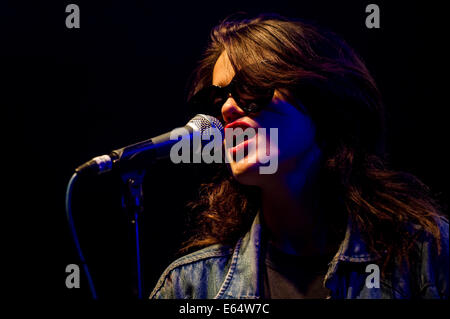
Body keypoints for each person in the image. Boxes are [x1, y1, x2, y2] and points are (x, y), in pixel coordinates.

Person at [150, 13, 448, 299]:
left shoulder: (423, 256)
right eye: (219, 98)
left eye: (251, 88)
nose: (227, 109)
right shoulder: (192, 285)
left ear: (323, 101)